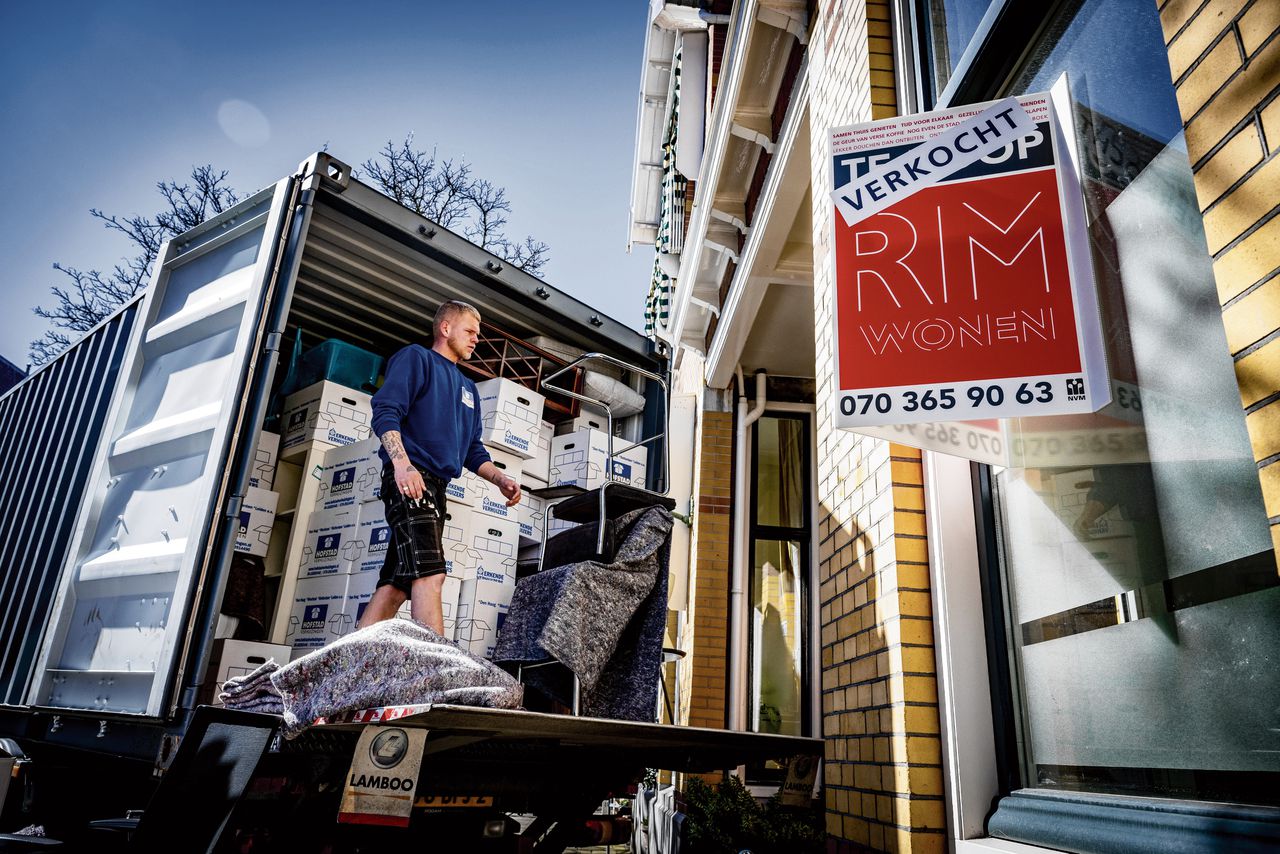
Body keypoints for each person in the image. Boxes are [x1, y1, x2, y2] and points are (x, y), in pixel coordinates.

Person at [357, 300, 521, 634]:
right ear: (446, 328)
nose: (476, 339)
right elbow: (386, 411)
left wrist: (499, 479)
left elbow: (472, 450)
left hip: (437, 488)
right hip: (411, 479)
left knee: (395, 586)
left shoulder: (469, 390)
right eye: (470, 331)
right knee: (430, 573)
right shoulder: (416, 359)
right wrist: (402, 466)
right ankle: (437, 675)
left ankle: (340, 672)